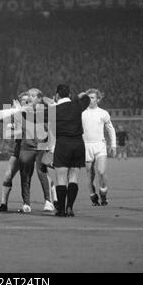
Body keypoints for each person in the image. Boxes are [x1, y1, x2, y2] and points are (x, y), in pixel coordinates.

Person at [50, 85, 90, 217]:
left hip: (63, 144)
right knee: (73, 178)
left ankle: (61, 209)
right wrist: (81, 95)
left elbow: (33, 117)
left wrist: (22, 110)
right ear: (70, 94)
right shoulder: (77, 105)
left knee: (61, 178)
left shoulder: (54, 110)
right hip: (78, 144)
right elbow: (87, 99)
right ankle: (69, 207)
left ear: (57, 95)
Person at [17, 88, 54, 214]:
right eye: (29, 95)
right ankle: (26, 204)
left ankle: (48, 201)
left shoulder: (46, 112)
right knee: (25, 175)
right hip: (26, 147)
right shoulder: (21, 111)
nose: (30, 97)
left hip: (42, 146)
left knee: (42, 173)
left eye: (33, 96)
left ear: (39, 98)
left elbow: (52, 127)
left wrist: (51, 147)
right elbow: (5, 119)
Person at [82, 89, 117, 207]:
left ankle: (103, 194)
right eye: (88, 97)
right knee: (90, 174)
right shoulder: (81, 112)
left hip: (99, 145)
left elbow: (111, 129)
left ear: (98, 99)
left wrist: (113, 145)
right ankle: (93, 197)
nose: (90, 100)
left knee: (101, 172)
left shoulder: (103, 113)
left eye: (92, 98)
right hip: (86, 145)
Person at [0, 91, 29, 212]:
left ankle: (52, 200)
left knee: (42, 174)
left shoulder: (34, 112)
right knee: (8, 175)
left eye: (28, 100)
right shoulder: (15, 114)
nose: (26, 102)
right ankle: (3, 204)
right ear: (20, 101)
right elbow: (5, 126)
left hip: (33, 149)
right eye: (23, 100)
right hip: (18, 149)